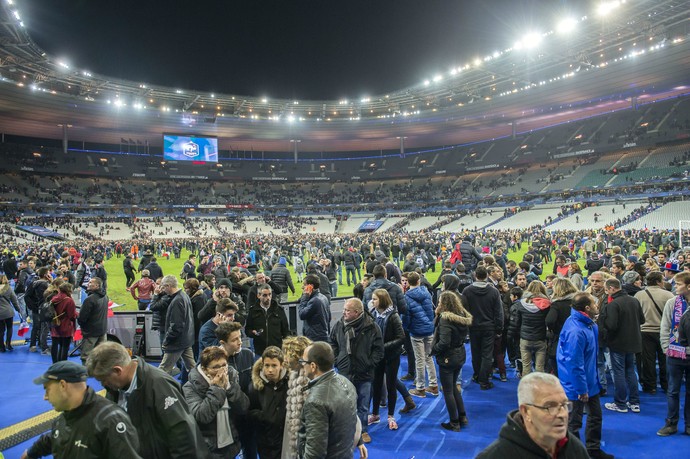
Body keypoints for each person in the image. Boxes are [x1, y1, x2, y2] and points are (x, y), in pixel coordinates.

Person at [86, 341, 208, 458]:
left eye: (103, 379)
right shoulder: (115, 388)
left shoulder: (159, 386)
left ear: (118, 370)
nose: (103, 384)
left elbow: (183, 436)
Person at [21, 360, 142, 459]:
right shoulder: (67, 415)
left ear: (63, 385)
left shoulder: (110, 421)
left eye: (47, 390)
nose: (45, 397)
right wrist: (31, 453)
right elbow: (56, 436)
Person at [476, 372, 589, 458]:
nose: (562, 414)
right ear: (525, 412)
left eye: (564, 405)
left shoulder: (575, 449)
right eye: (550, 406)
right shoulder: (496, 455)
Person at [557, 293, 613, 459]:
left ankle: (592, 449)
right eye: (595, 304)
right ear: (587, 308)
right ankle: (574, 454)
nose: (598, 306)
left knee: (596, 416)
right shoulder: (577, 331)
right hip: (576, 385)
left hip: (589, 381)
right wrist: (581, 389)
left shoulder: (588, 324)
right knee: (574, 422)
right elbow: (574, 363)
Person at [330, 297, 383, 444]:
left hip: (364, 373)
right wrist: (337, 359)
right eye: (344, 309)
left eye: (347, 310)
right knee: (345, 403)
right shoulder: (340, 325)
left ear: (357, 312)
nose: (344, 312)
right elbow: (332, 342)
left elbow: (379, 349)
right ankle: (346, 430)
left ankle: (363, 431)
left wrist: (369, 363)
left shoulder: (372, 327)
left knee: (363, 405)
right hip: (345, 371)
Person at [298, 341, 361, 459]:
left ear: (313, 366)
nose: (302, 365)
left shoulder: (315, 401)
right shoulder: (346, 382)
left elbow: (315, 453)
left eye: (303, 362)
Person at [183, 346, 249, 458]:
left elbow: (244, 407)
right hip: (207, 450)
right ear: (204, 369)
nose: (221, 370)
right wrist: (217, 388)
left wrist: (229, 388)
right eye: (215, 367)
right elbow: (201, 416)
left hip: (231, 447)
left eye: (224, 365)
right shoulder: (190, 387)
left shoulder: (231, 377)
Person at [601, 278, 645, 413]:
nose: (607, 293)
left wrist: (603, 319)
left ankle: (620, 403)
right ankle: (634, 402)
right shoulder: (634, 300)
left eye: (607, 290)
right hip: (634, 341)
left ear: (612, 288)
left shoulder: (613, 304)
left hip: (618, 343)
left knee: (619, 372)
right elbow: (642, 320)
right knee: (631, 371)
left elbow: (611, 326)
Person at [431, 291, 473, 432]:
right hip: (460, 354)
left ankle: (454, 422)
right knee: (453, 387)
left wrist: (433, 350)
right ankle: (462, 416)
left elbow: (444, 342)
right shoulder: (461, 316)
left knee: (448, 390)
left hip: (448, 357)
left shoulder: (445, 319)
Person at [657, 271, 690, 436]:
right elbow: (665, 326)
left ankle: (689, 425)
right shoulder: (672, 302)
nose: (675, 286)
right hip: (675, 354)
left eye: (679, 284)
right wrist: (665, 348)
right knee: (673, 390)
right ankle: (671, 424)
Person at [368, 288, 406, 430]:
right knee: (376, 385)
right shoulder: (372, 314)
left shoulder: (393, 316)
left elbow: (401, 337)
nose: (372, 301)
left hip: (391, 356)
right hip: (377, 357)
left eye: (375, 299)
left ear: (382, 300)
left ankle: (391, 416)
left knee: (391, 386)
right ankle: (375, 414)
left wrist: (383, 347)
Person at [463, 266, 504, 390]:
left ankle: (477, 375)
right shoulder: (493, 291)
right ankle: (484, 380)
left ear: (475, 275)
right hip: (489, 327)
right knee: (487, 354)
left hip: (473, 327)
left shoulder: (467, 290)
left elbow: (464, 310)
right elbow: (499, 312)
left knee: (476, 352)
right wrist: (499, 328)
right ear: (486, 276)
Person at [634, 271, 674, 394]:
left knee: (647, 360)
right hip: (664, 332)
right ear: (658, 281)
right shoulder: (669, 295)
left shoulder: (639, 295)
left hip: (645, 331)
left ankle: (649, 386)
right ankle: (666, 384)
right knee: (665, 360)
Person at [248, 346, 289, 459]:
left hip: (286, 440)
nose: (270, 370)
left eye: (274, 365)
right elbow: (250, 411)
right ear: (262, 365)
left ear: (281, 365)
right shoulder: (255, 387)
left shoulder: (290, 384)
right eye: (267, 365)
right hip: (265, 442)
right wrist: (264, 417)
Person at [402, 271, 438, 398]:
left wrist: (407, 328)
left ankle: (420, 388)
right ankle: (433, 385)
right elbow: (431, 311)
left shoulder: (406, 297)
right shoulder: (426, 293)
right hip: (429, 328)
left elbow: (406, 317)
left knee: (420, 359)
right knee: (429, 357)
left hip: (416, 331)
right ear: (419, 281)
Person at [281, 335, 313, 459]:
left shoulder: (308, 379)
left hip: (305, 435)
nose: (285, 359)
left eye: (287, 355)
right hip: (295, 432)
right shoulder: (294, 373)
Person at [158, 275, 196, 376]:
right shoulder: (184, 296)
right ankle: (202, 386)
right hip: (185, 340)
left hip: (176, 342)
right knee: (193, 369)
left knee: (162, 371)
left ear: (168, 286)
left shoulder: (177, 301)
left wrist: (167, 340)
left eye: (163, 287)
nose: (162, 289)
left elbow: (176, 326)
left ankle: (157, 390)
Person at [245, 283, 289, 356]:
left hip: (276, 351)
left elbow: (286, 331)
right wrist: (253, 332)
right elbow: (247, 330)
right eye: (265, 295)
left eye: (270, 294)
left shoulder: (279, 310)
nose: (268, 297)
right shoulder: (253, 311)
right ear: (258, 296)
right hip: (260, 351)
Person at [77, 276, 109, 365]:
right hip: (102, 330)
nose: (88, 284)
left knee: (86, 355)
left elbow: (82, 317)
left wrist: (83, 327)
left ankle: (86, 373)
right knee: (101, 354)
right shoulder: (105, 297)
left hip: (91, 331)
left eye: (91, 282)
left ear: (97, 286)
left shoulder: (90, 299)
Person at [298, 274, 331, 342]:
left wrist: (304, 298)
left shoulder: (314, 301)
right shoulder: (323, 297)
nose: (302, 287)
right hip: (322, 335)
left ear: (311, 286)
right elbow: (329, 317)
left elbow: (302, 314)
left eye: (304, 285)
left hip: (315, 338)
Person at [49, 282, 77, 363]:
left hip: (55, 325)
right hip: (65, 326)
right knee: (64, 347)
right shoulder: (69, 300)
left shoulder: (54, 298)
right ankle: (62, 365)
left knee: (56, 345)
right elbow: (72, 315)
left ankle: (55, 364)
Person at [0, 274, 20, 352]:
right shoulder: (8, 289)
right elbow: (14, 300)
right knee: (9, 328)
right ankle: (9, 344)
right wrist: (18, 309)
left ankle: (1, 346)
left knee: (1, 330)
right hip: (8, 312)